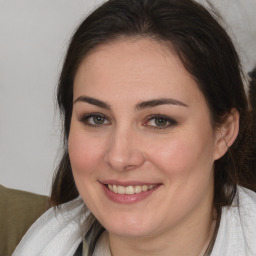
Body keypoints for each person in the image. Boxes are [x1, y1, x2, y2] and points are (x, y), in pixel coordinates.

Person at [13, 0, 256, 255]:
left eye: (159, 121)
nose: (119, 157)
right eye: (97, 118)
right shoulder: (43, 244)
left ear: (224, 132)